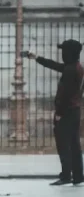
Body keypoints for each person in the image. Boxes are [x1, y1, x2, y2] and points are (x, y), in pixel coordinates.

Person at [27, 40, 84, 186]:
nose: (62, 54)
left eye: (64, 51)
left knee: (64, 144)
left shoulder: (71, 70)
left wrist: (59, 113)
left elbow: (66, 95)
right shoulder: (76, 67)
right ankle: (78, 176)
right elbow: (55, 65)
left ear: (70, 52)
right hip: (75, 111)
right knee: (74, 144)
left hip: (67, 112)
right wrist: (37, 57)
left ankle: (66, 176)